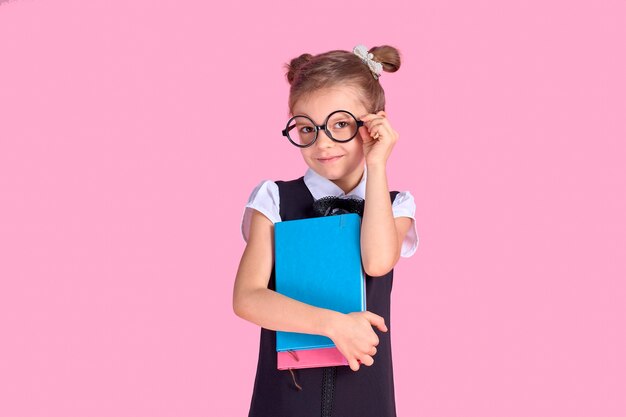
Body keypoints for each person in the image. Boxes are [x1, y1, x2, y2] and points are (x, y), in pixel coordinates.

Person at [233, 44, 419, 417]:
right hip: (284, 400)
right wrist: (333, 325)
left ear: (372, 125)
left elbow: (378, 261)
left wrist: (377, 164)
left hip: (365, 398)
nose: (322, 143)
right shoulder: (274, 200)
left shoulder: (396, 205)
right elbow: (247, 298)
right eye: (306, 128)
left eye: (340, 124)